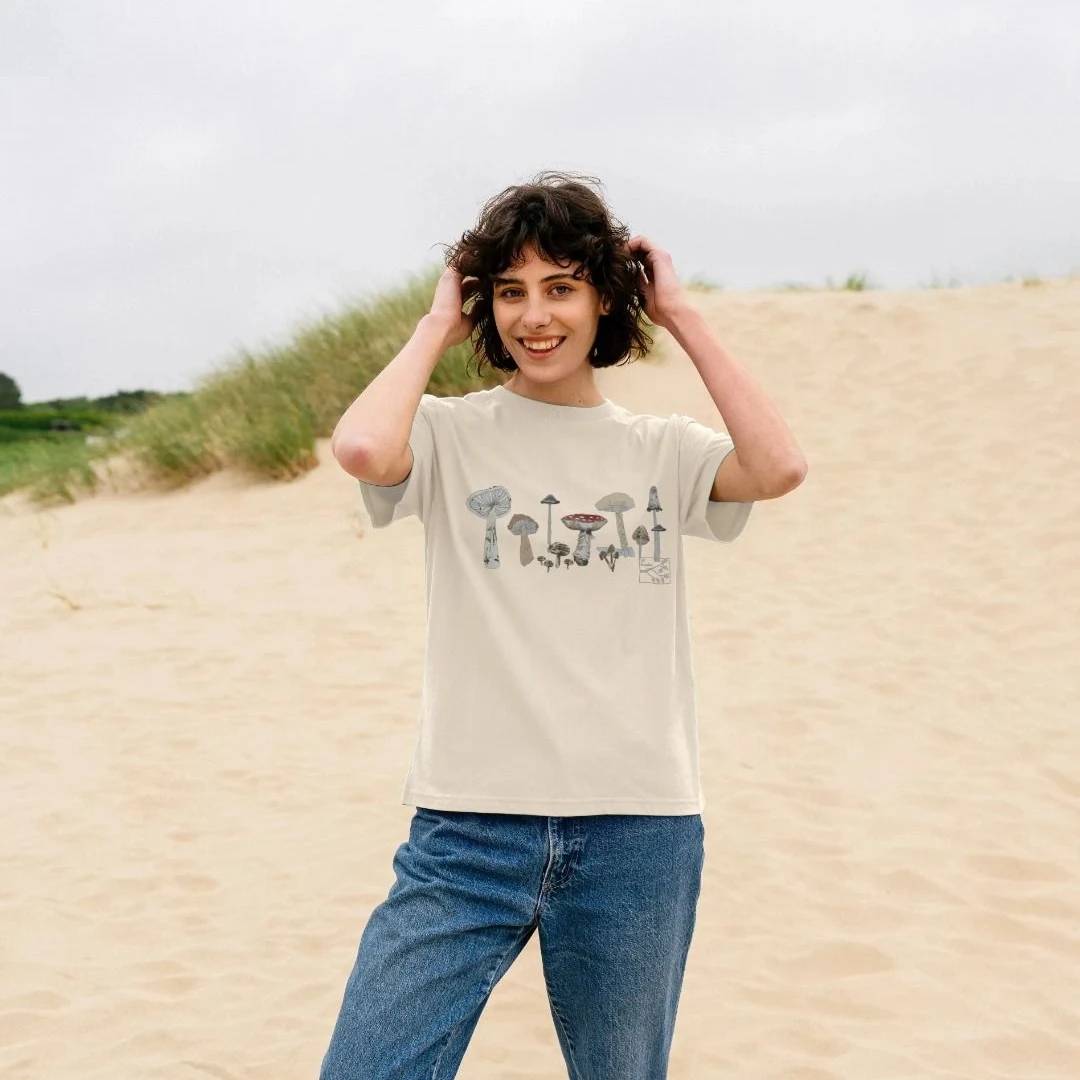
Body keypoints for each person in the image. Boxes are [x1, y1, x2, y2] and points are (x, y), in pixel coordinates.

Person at [320, 171, 807, 1079]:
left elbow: (779, 467)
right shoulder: (448, 434)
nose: (535, 317)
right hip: (468, 829)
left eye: (561, 287)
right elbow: (361, 448)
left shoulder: (663, 449)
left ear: (604, 299)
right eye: (510, 292)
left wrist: (682, 314)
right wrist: (434, 326)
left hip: (637, 829)